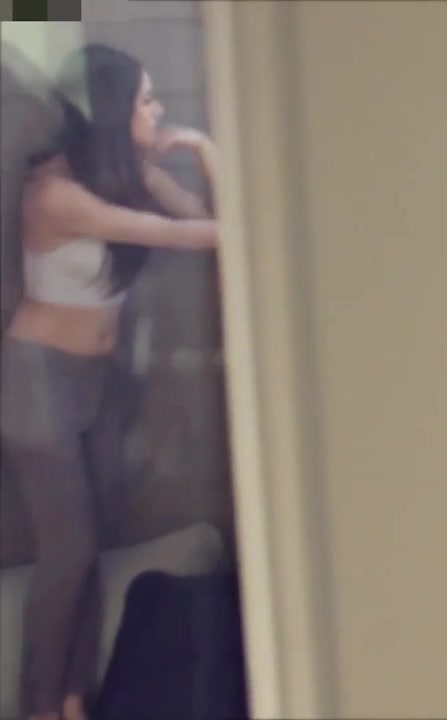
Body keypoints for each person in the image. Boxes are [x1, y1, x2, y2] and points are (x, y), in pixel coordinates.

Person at [0, 44, 219, 720]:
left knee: (90, 544)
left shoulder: (125, 175)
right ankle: (40, 706)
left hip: (99, 377)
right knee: (68, 549)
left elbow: (208, 222)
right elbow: (187, 237)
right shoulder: (56, 193)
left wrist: (204, 154)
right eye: (146, 100)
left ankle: (73, 700)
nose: (158, 111)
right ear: (112, 112)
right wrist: (209, 157)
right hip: (37, 381)